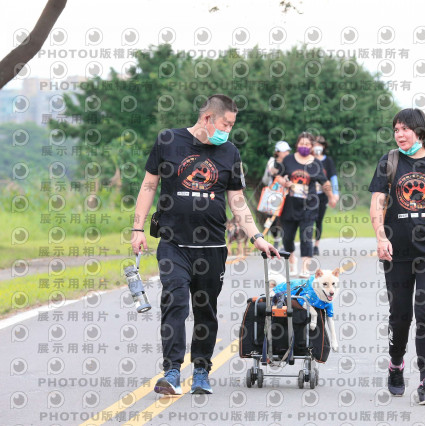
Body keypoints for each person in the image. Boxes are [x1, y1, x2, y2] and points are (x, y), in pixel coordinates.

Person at [130, 94, 278, 396]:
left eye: (232, 125)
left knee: (205, 310)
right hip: (174, 243)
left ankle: (201, 370)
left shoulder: (229, 152)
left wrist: (257, 237)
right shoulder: (168, 141)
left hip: (211, 247)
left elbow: (237, 201)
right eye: (226, 124)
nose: (228, 131)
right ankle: (172, 371)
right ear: (208, 118)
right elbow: (149, 185)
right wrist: (137, 228)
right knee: (175, 302)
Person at [368, 108, 425, 405]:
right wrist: (380, 237)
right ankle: (396, 364)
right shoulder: (389, 162)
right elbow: (377, 203)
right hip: (397, 251)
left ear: (420, 131)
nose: (399, 134)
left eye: (405, 129)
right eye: (396, 129)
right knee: (400, 315)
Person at [274, 132, 337, 278]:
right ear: (297, 144)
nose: (304, 146)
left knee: (306, 236)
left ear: (312, 146)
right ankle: (292, 260)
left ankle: (305, 267)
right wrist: (284, 182)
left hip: (309, 205)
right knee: (287, 238)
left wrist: (331, 197)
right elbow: (278, 176)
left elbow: (325, 182)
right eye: (301, 143)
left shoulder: (316, 163)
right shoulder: (288, 160)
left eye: (307, 144)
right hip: (289, 205)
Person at [312, 135, 340, 256]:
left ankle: (316, 245)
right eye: (315, 145)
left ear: (323, 147)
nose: (317, 147)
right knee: (308, 219)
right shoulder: (308, 159)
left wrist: (335, 194)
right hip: (309, 194)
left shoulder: (327, 161)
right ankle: (306, 242)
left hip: (323, 195)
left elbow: (333, 177)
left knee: (318, 220)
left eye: (320, 145)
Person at [261, 140, 291, 249]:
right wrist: (271, 172)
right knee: (272, 218)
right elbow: (265, 179)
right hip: (273, 193)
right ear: (277, 152)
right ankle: (276, 238)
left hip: (286, 194)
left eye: (287, 151)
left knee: (285, 218)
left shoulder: (290, 162)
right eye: (284, 151)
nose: (287, 153)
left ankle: (284, 241)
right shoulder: (272, 162)